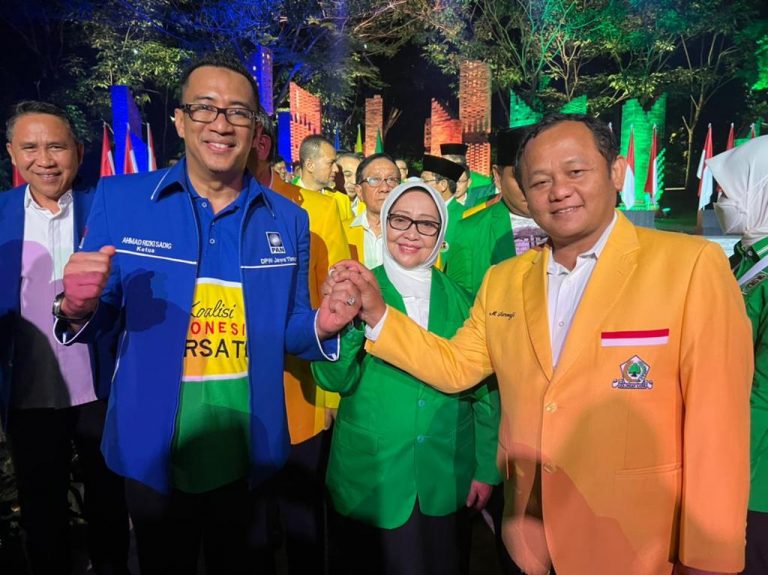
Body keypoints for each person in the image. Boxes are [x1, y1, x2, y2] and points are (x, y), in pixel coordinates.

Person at [331, 113, 753, 575]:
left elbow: (718, 426)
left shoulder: (689, 267)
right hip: (530, 538)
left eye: (576, 171)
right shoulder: (504, 281)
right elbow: (455, 366)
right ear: (522, 194)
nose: (558, 191)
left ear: (615, 172)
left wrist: (710, 555)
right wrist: (378, 315)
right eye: (539, 181)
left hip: (635, 544)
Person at [54, 53, 357, 575]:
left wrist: (323, 326)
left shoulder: (289, 219)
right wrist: (76, 306)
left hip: (250, 452)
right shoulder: (123, 200)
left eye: (238, 111)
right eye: (204, 107)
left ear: (256, 129)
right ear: (180, 120)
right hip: (152, 448)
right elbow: (101, 320)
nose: (221, 123)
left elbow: (289, 329)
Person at [312, 181, 501, 575]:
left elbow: (485, 395)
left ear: (442, 233)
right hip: (371, 474)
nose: (411, 233)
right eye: (400, 219)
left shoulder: (465, 301)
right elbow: (332, 379)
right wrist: (347, 324)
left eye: (426, 224)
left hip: (445, 472)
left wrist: (485, 468)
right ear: (385, 223)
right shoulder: (356, 288)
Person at [0, 101, 130, 575]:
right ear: (12, 153)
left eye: (56, 146)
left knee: (109, 501)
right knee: (42, 511)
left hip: (100, 390)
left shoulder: (109, 209)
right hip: (28, 394)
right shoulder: (2, 214)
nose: (45, 160)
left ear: (78, 150)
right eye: (30, 148)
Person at [248, 109, 351, 573]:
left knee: (302, 522)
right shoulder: (199, 209)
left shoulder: (315, 211)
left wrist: (329, 394)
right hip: (226, 396)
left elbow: (331, 307)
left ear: (262, 143)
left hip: (297, 392)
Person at [709, 136, 768, 575]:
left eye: (728, 192)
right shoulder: (744, 259)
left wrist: (725, 461)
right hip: (728, 456)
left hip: (756, 473)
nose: (719, 202)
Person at [443, 127, 547, 296]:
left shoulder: (571, 222)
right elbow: (461, 301)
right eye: (518, 177)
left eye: (540, 175)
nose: (529, 185)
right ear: (498, 177)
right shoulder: (471, 231)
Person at [344, 153, 401, 269]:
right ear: (359, 191)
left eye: (391, 180)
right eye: (375, 180)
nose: (384, 188)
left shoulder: (415, 235)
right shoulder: (341, 232)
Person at [298, 134, 354, 221]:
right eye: (330, 163)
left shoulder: (341, 201)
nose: (336, 169)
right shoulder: (287, 198)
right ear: (310, 165)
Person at [336, 151, 364, 215]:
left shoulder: (369, 204)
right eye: (347, 175)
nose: (354, 181)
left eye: (357, 176)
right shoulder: (324, 201)